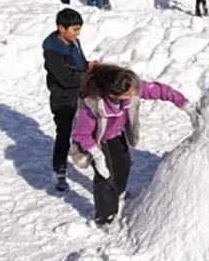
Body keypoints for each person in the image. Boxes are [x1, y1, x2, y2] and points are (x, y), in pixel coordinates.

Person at [70, 64, 189, 228]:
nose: (134, 92)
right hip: (97, 141)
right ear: (112, 95)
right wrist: (97, 156)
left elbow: (160, 91)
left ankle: (118, 193)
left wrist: (185, 104)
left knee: (123, 165)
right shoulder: (92, 108)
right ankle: (105, 216)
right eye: (128, 93)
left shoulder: (129, 86)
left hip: (117, 135)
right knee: (105, 176)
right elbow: (81, 134)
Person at [43, 8, 92, 192]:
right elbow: (65, 78)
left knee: (88, 129)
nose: (77, 34)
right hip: (63, 99)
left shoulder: (74, 42)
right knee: (64, 134)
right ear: (61, 28)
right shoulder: (52, 52)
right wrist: (86, 77)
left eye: (79, 29)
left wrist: (89, 66)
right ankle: (59, 171)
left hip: (80, 95)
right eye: (74, 30)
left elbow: (80, 63)